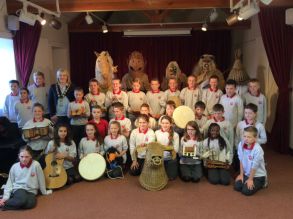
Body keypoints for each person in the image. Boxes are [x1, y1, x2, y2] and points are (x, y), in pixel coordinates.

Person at [0, 145, 52, 210]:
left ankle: (7, 204)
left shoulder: (36, 164)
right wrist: (5, 197)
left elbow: (41, 179)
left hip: (32, 191)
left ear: (31, 156)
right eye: (22, 157)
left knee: (30, 204)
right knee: (22, 200)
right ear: (18, 156)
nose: (24, 159)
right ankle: (5, 202)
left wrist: (44, 192)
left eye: (27, 157)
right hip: (19, 188)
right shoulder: (14, 167)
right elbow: (9, 183)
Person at [234, 126, 267, 196]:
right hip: (247, 173)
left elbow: (254, 166)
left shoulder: (258, 149)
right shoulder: (241, 144)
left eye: (249, 137)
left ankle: (263, 183)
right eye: (244, 136)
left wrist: (250, 179)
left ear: (255, 138)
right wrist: (241, 174)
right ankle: (247, 180)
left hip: (258, 176)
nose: (246, 139)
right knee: (237, 187)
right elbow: (241, 160)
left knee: (246, 191)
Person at [155, 115, 179, 180]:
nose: (164, 125)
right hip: (159, 158)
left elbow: (176, 150)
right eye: (163, 123)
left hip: (170, 158)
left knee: (171, 177)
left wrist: (162, 147)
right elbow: (154, 146)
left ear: (171, 124)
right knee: (158, 177)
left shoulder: (175, 135)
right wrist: (167, 148)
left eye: (167, 123)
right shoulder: (157, 133)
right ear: (160, 123)